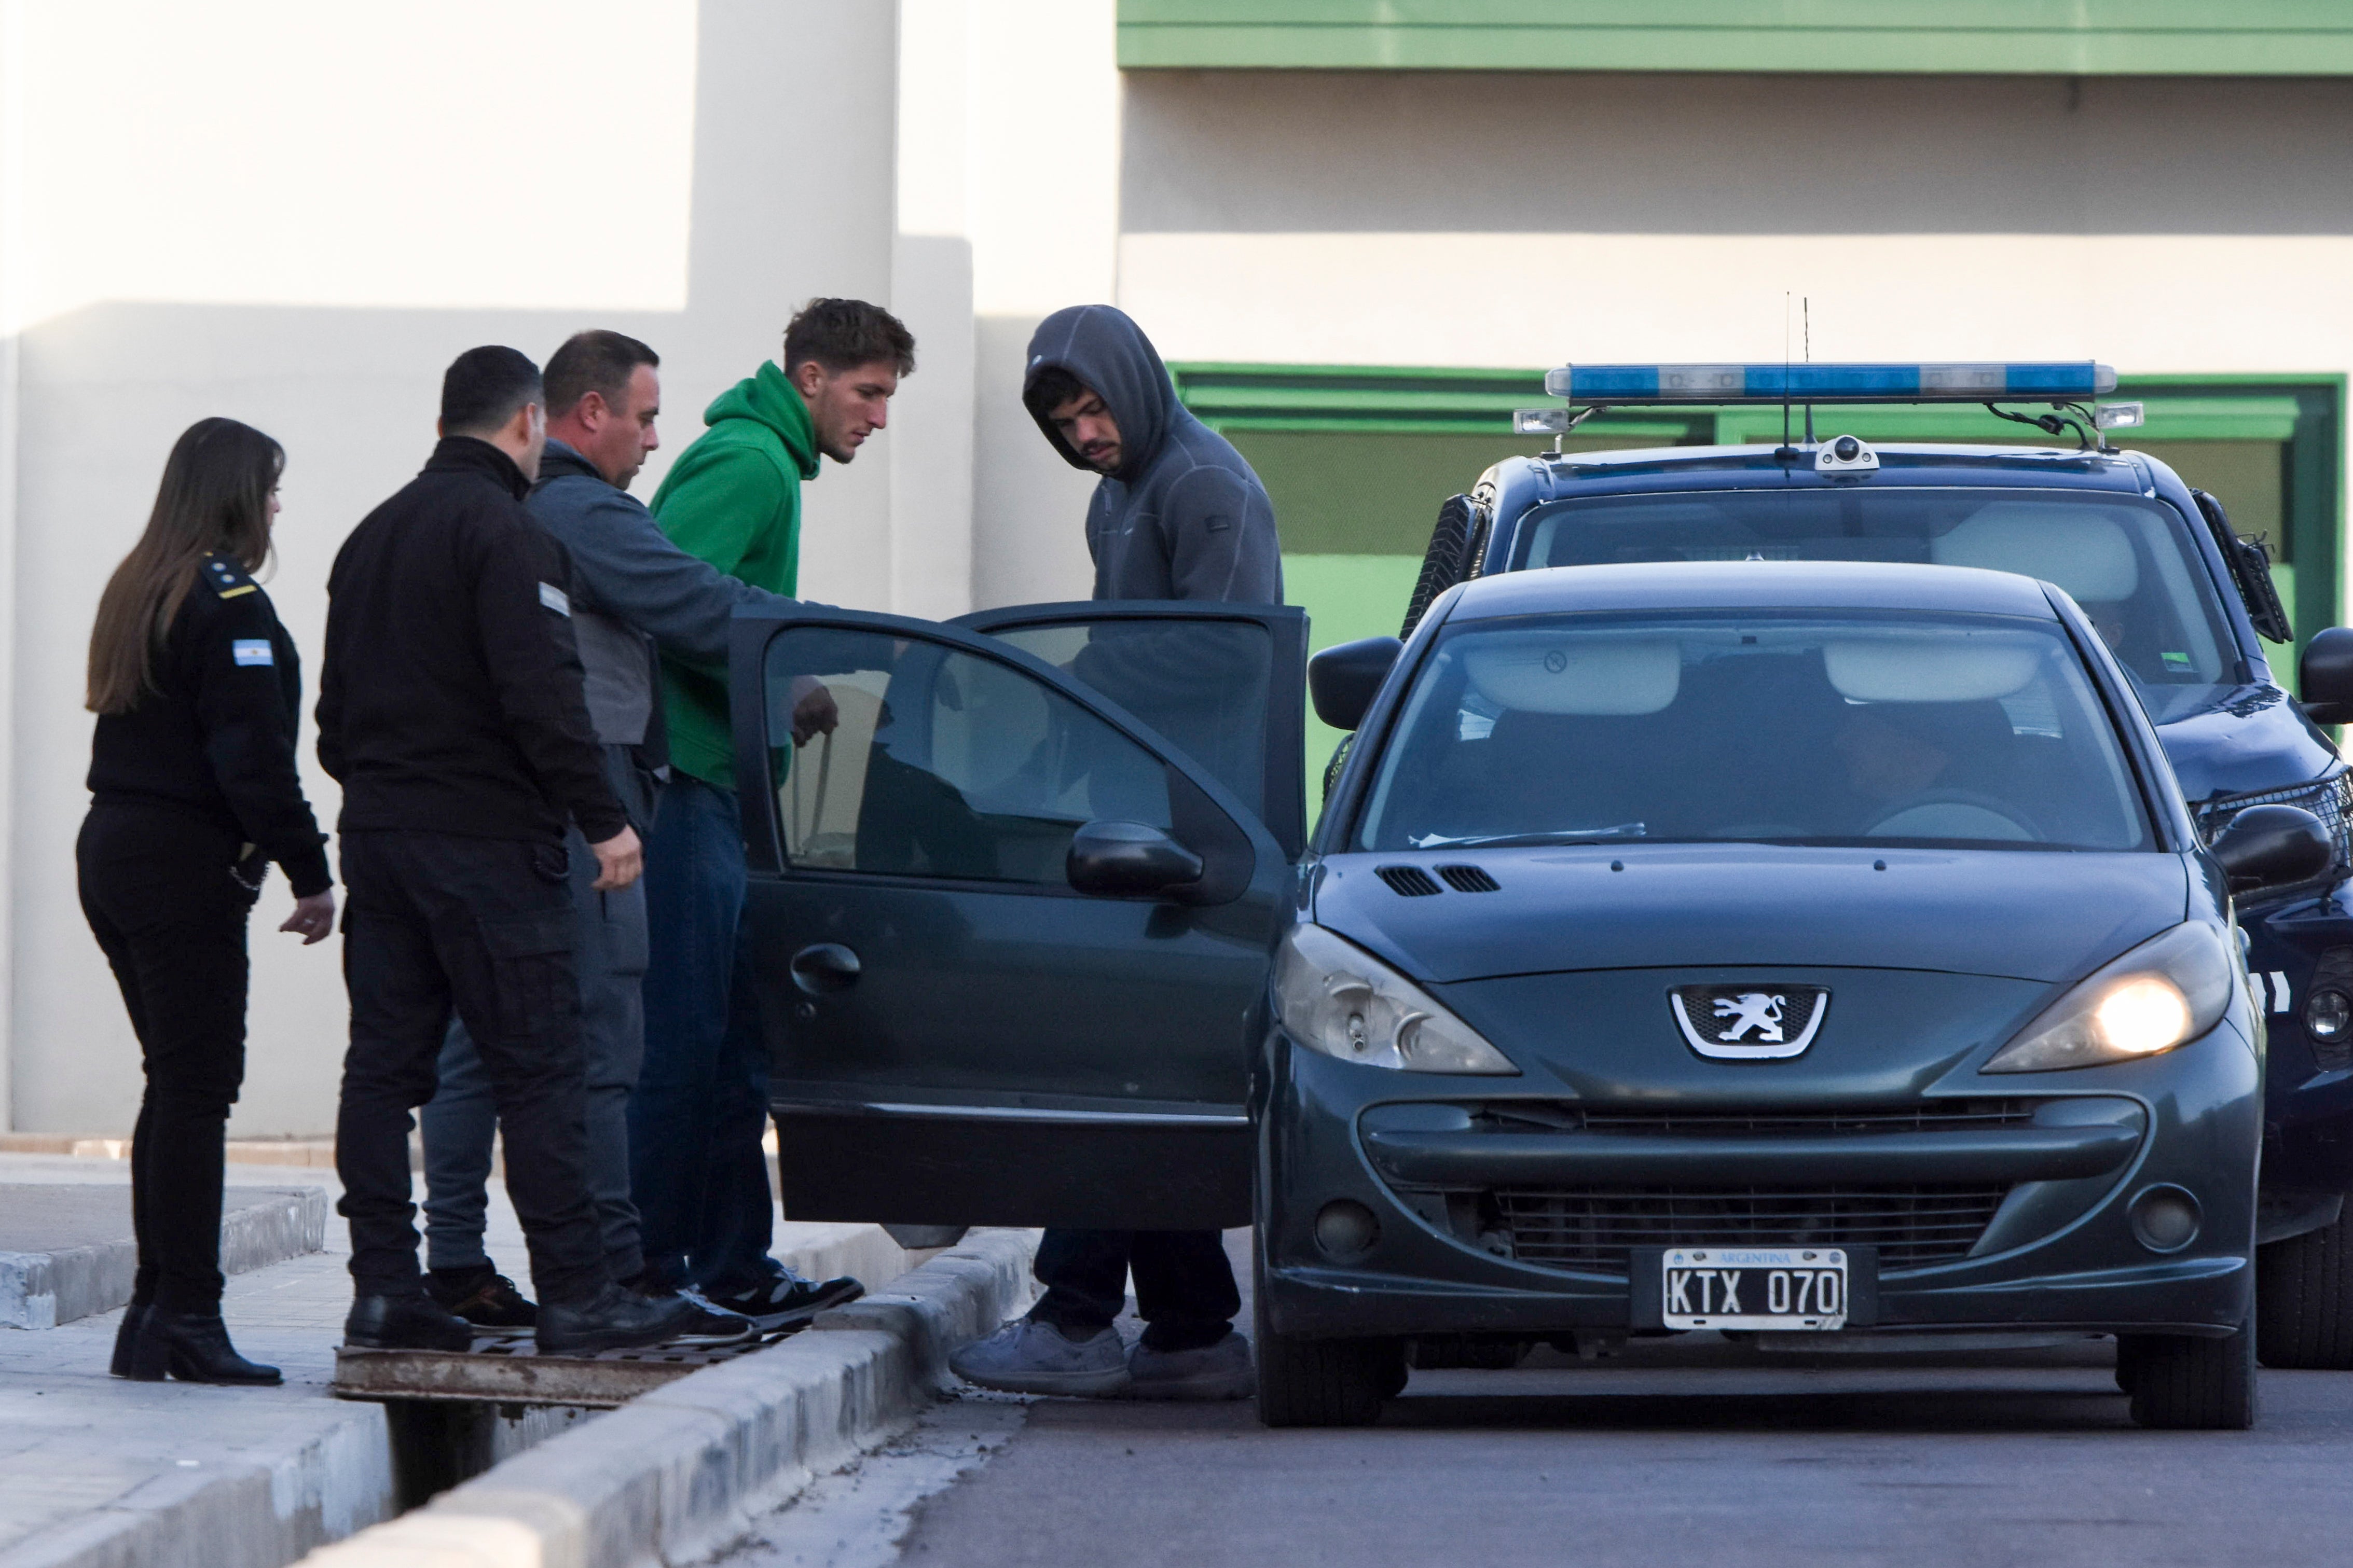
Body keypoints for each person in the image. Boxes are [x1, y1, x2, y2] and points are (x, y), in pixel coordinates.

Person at [417, 329, 855, 1336]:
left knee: (473, 1042)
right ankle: (622, 1274)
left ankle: (457, 1268)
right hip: (584, 794)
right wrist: (831, 646)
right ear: (576, 416)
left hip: (465, 806)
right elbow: (692, 600)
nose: (659, 441)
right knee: (612, 1035)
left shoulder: (430, 521)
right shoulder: (579, 509)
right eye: (646, 417)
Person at [319, 345, 698, 1355]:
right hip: (491, 849)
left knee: (383, 1072)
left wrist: (393, 797)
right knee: (542, 1068)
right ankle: (579, 1296)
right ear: (531, 421)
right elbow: (545, 699)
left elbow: (330, 721)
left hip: (384, 846)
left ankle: (386, 1296)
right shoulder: (508, 532)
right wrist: (603, 820)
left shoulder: (369, 537)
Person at [950, 304, 1279, 1401]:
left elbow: (1227, 656)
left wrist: (1078, 683)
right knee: (1141, 1079)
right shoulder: (1121, 492)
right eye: (1063, 418)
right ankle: (1188, 1332)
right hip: (1138, 825)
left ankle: (1080, 1316)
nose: (1085, 433)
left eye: (1094, 407)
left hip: (1192, 836)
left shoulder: (1204, 485)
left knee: (1109, 1067)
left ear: (1134, 388)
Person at [629, 299, 911, 1329]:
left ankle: (734, 1263)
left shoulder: (767, 465)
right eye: (867, 392)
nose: (878, 418)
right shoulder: (746, 461)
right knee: (686, 1043)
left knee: (736, 1045)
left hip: (722, 791)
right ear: (809, 379)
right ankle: (654, 1276)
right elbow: (654, 595)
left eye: (886, 396)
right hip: (685, 788)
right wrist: (779, 677)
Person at [78, 419, 337, 1385]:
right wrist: (311, 871)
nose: (278, 506)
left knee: (174, 1084)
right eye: (270, 487)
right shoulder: (227, 600)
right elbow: (253, 757)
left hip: (114, 847)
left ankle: (155, 1316)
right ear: (235, 494)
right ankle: (185, 1314)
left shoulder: (142, 581)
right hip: (180, 861)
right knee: (197, 1088)